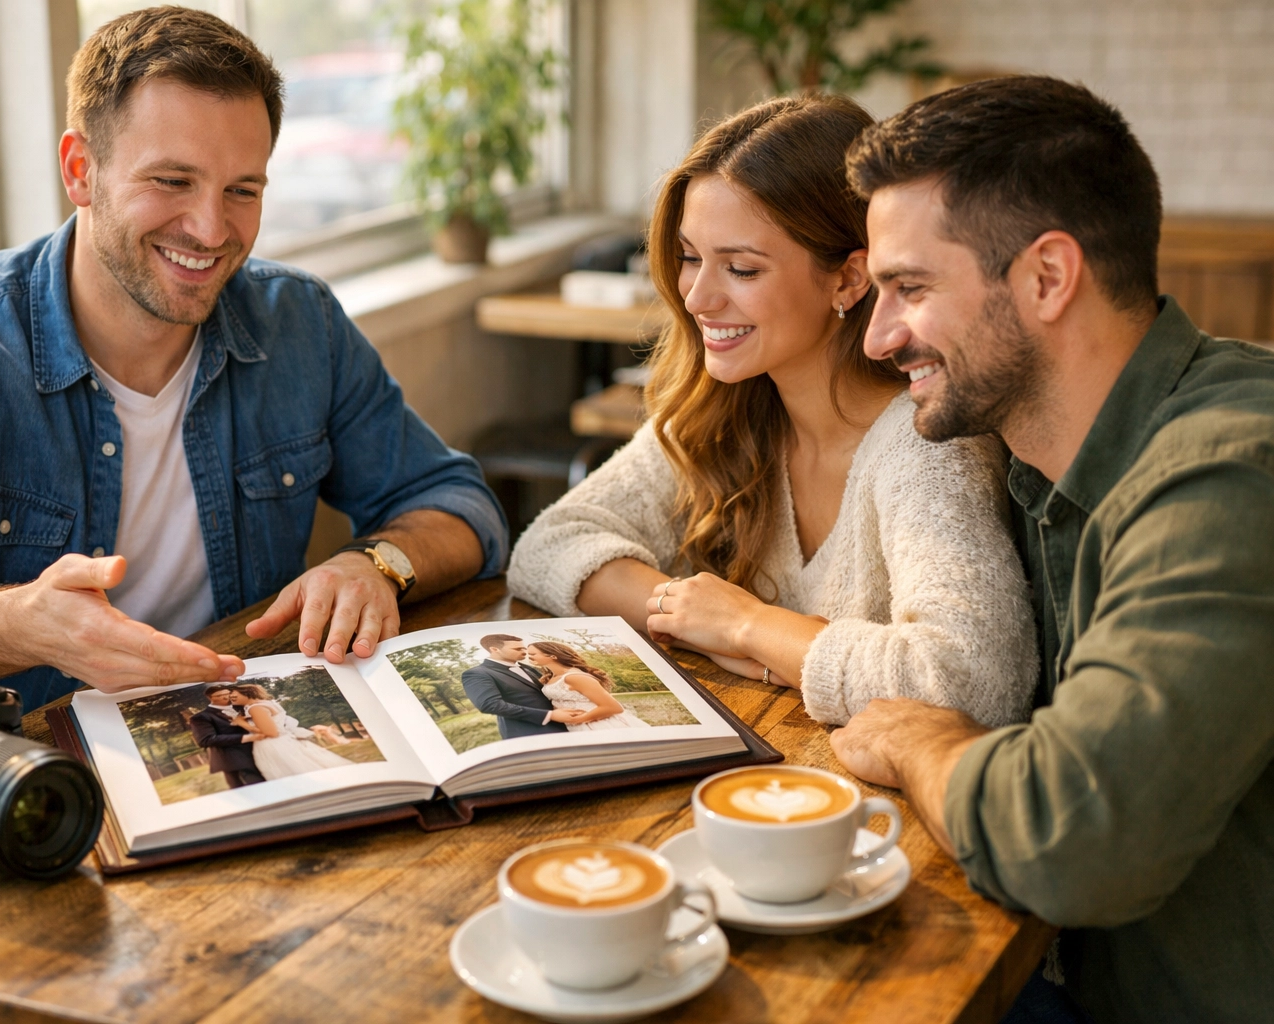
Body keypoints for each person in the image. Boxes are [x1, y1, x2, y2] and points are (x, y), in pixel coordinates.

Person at [0, 7, 505, 711]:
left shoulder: (299, 322)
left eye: (241, 190)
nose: (211, 230)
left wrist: (374, 564)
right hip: (27, 768)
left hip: (249, 724)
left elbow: (461, 505)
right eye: (172, 181)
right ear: (80, 170)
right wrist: (21, 625)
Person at [827, 76, 1274, 1024]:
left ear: (1047, 278)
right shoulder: (1033, 461)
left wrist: (921, 740)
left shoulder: (1232, 471)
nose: (877, 337)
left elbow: (1071, 845)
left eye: (910, 288)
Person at [508, 94, 1036, 728]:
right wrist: (698, 619)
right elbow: (547, 545)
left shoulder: (927, 446)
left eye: (741, 269)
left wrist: (748, 625)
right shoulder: (726, 408)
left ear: (849, 279)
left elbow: (974, 682)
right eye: (691, 257)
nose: (697, 297)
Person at [459, 634, 571, 740]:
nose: (524, 652)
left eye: (523, 648)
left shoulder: (527, 667)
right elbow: (490, 705)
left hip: (565, 726)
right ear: (495, 649)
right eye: (518, 649)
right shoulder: (477, 673)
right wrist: (549, 715)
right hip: (527, 733)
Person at [234, 682, 354, 779]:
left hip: (273, 745)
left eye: (234, 696)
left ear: (246, 693)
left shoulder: (256, 708)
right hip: (285, 741)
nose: (232, 698)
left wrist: (242, 724)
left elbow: (271, 733)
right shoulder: (268, 703)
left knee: (291, 772)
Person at [525, 641, 650, 731]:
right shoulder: (551, 677)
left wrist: (578, 719)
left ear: (552, 656)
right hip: (575, 727)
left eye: (533, 654)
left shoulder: (574, 677)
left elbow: (613, 707)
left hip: (599, 725)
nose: (529, 657)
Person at [187, 684, 266, 789]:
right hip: (235, 760)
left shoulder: (244, 706)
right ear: (210, 698)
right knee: (253, 789)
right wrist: (247, 738)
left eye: (228, 693)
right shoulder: (201, 717)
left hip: (261, 752)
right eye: (220, 695)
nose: (226, 697)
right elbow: (206, 740)